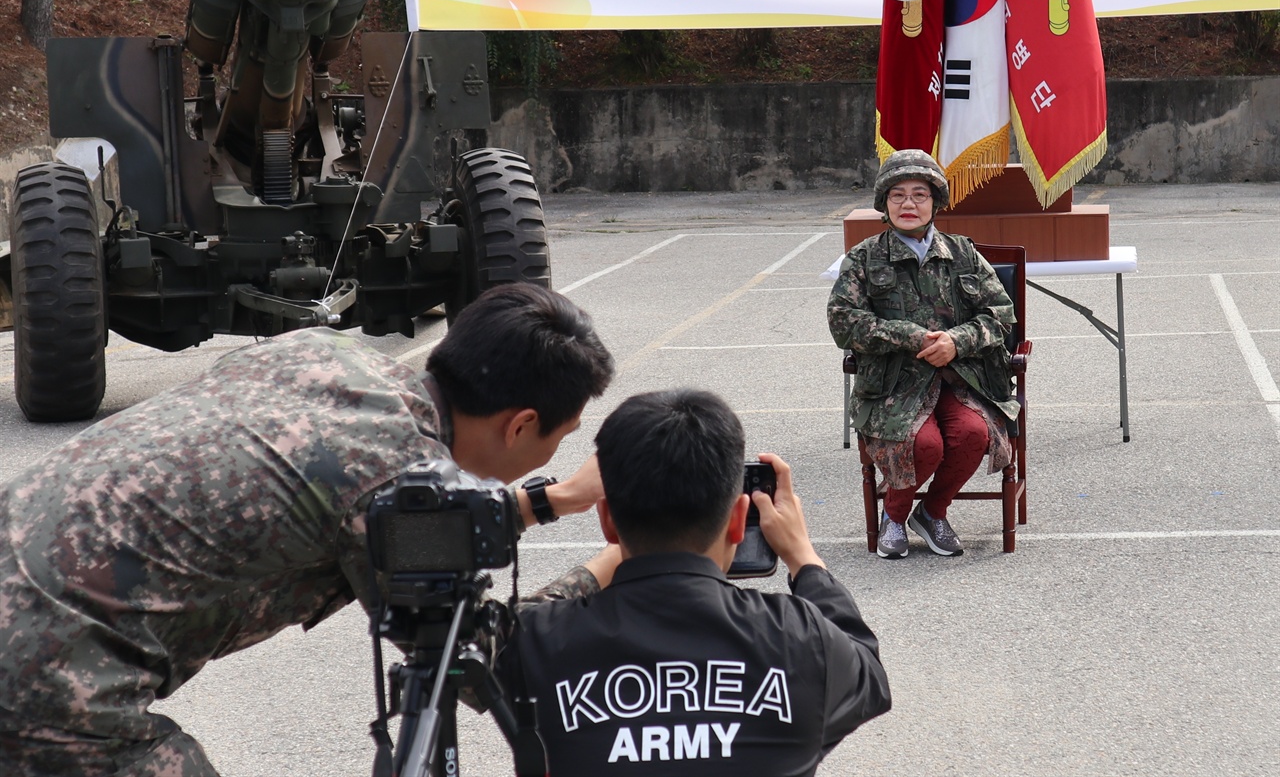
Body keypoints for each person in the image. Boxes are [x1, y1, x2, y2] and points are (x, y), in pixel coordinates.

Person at [0, 282, 614, 777]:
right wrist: (608, 568)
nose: (554, 451)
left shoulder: (324, 356)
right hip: (37, 679)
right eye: (559, 438)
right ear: (521, 425)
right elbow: (490, 665)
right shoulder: (391, 481)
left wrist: (552, 501)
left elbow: (364, 495)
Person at [498, 389, 891, 777]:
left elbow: (466, 639)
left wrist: (556, 501)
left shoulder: (539, 640)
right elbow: (867, 673)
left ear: (607, 521)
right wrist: (803, 557)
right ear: (738, 520)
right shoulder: (801, 640)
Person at [828, 149, 1021, 559]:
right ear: (884, 203)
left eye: (920, 194)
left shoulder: (963, 253)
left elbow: (1002, 315)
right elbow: (842, 322)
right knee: (925, 445)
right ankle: (895, 517)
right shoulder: (864, 258)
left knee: (973, 434)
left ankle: (932, 512)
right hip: (893, 385)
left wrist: (957, 341)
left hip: (962, 378)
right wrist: (907, 336)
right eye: (898, 195)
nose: (909, 204)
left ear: (935, 202)